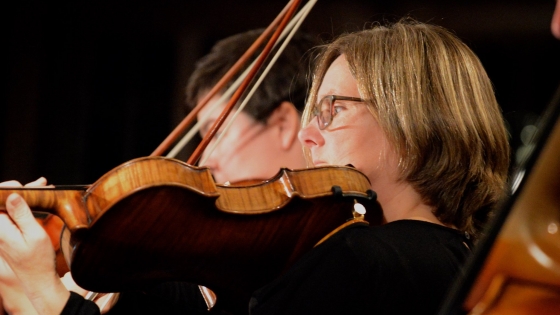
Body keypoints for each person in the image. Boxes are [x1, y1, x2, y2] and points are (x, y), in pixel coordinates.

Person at [0, 19, 518, 314]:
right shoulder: (460, 263)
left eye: (332, 110)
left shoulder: (360, 260)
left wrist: (53, 307)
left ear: (414, 121)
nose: (309, 135)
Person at [0, 29, 317, 315]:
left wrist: (46, 295)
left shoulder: (324, 264)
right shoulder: (218, 271)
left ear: (283, 125)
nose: (206, 160)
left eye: (215, 133)